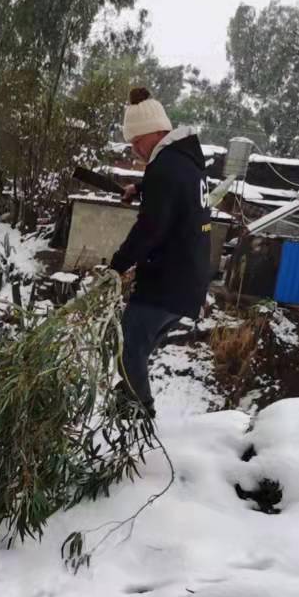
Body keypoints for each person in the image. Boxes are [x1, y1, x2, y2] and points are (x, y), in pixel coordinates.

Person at [106, 87, 213, 416]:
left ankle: (140, 416)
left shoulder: (166, 168)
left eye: (138, 141)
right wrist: (140, 188)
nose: (136, 150)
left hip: (168, 281)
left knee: (127, 347)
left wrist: (116, 266)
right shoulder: (185, 162)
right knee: (136, 348)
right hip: (187, 281)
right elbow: (173, 199)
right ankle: (129, 406)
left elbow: (150, 229)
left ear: (156, 132)